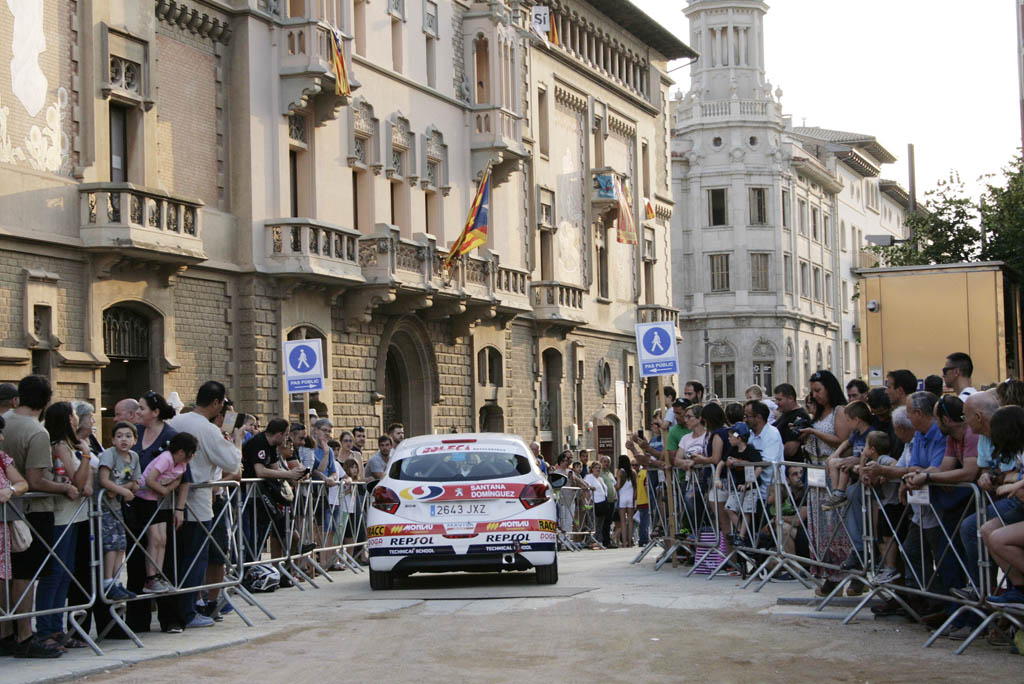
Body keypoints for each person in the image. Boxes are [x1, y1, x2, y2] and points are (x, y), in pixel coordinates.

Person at [167, 382, 243, 631]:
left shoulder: (175, 421)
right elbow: (232, 463)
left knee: (175, 559)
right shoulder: (208, 429)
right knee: (194, 558)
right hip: (198, 502)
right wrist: (237, 442)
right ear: (216, 403)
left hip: (170, 500)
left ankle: (175, 611)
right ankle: (189, 611)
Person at [4, 376, 65, 657]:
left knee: (7, 573)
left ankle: (7, 633)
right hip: (32, 512)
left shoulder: (5, 420)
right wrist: (66, 488)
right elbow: (36, 480)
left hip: (9, 510)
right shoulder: (37, 432)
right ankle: (25, 635)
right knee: (26, 575)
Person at [34, 401, 93, 650]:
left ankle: (57, 627)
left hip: (73, 515)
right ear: (68, 419)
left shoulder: (68, 444)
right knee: (55, 573)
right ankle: (46, 629)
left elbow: (85, 485)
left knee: (66, 572)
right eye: (74, 414)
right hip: (60, 517)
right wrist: (86, 455)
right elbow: (78, 482)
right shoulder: (59, 445)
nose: (77, 418)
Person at [798, 369, 851, 595]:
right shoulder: (818, 413)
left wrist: (814, 432)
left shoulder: (840, 410)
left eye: (818, 390)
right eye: (812, 391)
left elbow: (843, 440)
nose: (815, 395)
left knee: (835, 526)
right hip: (816, 474)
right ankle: (827, 573)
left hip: (833, 473)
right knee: (819, 528)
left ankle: (841, 574)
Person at [136, 432, 196, 594]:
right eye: (191, 452)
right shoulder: (166, 458)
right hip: (145, 499)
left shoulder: (181, 464)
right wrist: (163, 490)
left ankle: (158, 575)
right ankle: (150, 578)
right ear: (181, 452)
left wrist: (167, 489)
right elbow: (149, 479)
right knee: (154, 539)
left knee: (162, 539)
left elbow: (179, 479)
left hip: (158, 501)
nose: (193, 456)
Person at [96, 422, 141, 601]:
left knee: (121, 544)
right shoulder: (109, 454)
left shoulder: (134, 457)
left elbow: (135, 483)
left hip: (118, 505)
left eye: (128, 436)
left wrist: (121, 489)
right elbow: (104, 481)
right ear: (113, 439)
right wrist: (122, 490)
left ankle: (116, 581)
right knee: (111, 544)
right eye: (119, 436)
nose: (124, 439)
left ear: (135, 440)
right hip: (103, 506)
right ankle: (107, 581)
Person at [0, 414, 29, 654]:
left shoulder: (2, 458)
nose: (1, 437)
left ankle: (5, 633)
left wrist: (10, 490)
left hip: (2, 530)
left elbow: (22, 483)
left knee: (3, 580)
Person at [823, 401, 874, 511]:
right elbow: (847, 443)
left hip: (863, 463)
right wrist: (836, 454)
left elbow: (872, 453)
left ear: (857, 420)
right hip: (853, 462)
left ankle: (840, 492)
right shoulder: (856, 434)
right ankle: (836, 492)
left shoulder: (871, 433)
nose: (847, 423)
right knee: (833, 462)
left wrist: (858, 460)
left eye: (848, 420)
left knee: (844, 465)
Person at [723, 422, 762, 548]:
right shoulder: (733, 450)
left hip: (751, 487)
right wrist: (728, 462)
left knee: (747, 511)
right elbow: (724, 460)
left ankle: (742, 535)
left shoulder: (751, 450)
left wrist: (749, 482)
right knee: (728, 508)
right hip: (738, 485)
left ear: (739, 438)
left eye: (731, 436)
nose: (729, 439)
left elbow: (759, 466)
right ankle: (741, 531)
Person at [744, 400, 783, 500]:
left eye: (747, 416)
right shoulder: (750, 434)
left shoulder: (772, 434)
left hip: (770, 491)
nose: (745, 420)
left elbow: (766, 462)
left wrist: (740, 462)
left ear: (759, 417)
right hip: (754, 491)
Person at [773, 383, 811, 462]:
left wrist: (769, 448)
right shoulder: (785, 414)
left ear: (791, 398)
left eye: (779, 399)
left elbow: (790, 450)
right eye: (775, 399)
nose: (776, 403)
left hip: (792, 466)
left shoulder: (800, 417)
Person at [584, 461, 611, 548]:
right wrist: (589, 500)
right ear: (592, 469)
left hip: (602, 503)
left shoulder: (601, 479)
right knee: (593, 523)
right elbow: (586, 489)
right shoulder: (589, 477)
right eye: (596, 468)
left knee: (600, 523)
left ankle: (598, 540)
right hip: (594, 503)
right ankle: (590, 541)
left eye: (599, 468)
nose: (598, 469)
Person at [615, 456, 635, 548]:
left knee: (623, 521)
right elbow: (635, 486)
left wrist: (614, 487)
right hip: (630, 497)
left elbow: (618, 485)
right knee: (630, 521)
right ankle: (630, 541)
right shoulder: (633, 472)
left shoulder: (619, 472)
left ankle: (624, 542)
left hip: (622, 497)